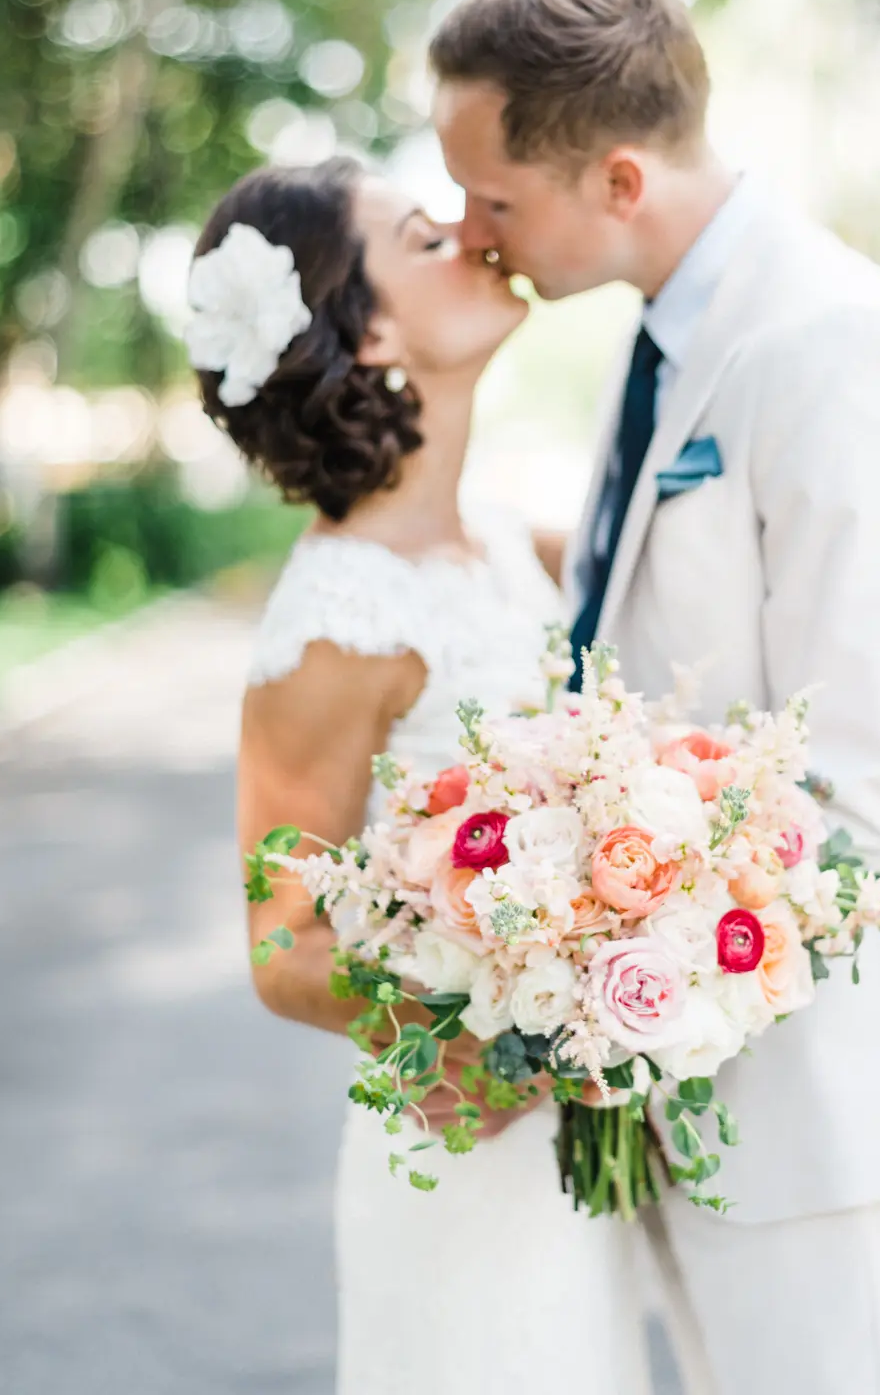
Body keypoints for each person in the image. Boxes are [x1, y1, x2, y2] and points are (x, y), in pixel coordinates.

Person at [429, 0, 880, 1394]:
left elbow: (868, 785)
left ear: (621, 182)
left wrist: (612, 969)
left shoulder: (839, 347)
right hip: (696, 1087)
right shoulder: (660, 340)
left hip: (833, 1102)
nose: (471, 231)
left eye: (497, 200)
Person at [187, 157, 648, 1395]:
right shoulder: (339, 618)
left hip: (568, 1115)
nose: (468, 229)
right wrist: (497, 1038)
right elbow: (284, 941)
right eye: (421, 232)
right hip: (464, 1135)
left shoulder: (500, 537)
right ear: (375, 324)